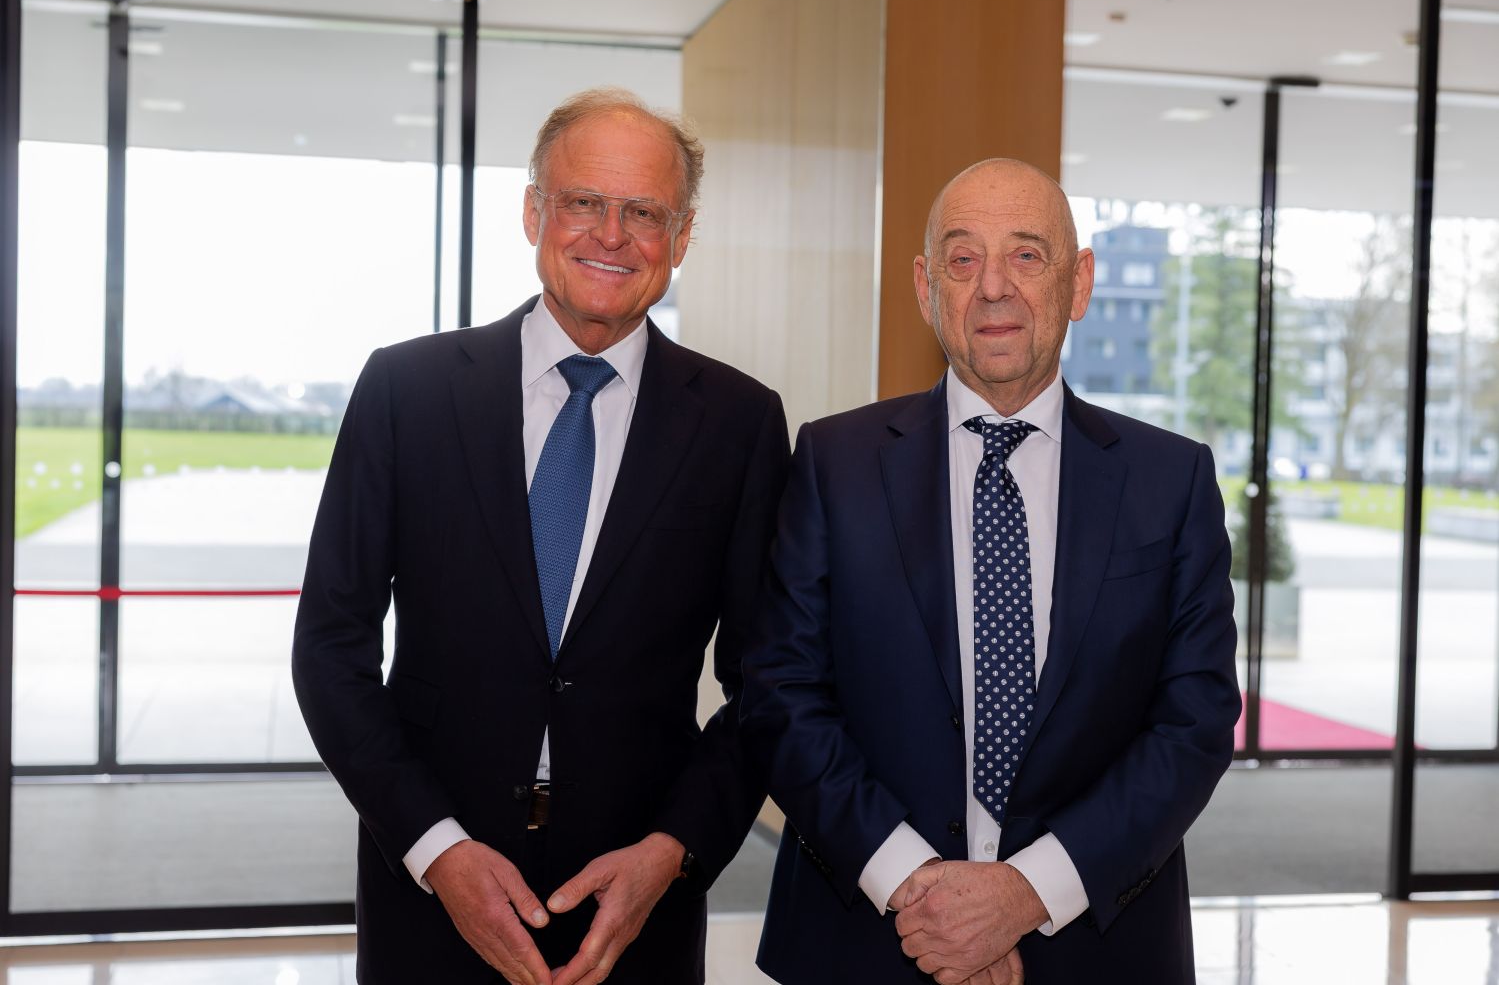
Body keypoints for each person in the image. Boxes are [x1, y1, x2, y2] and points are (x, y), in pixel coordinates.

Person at [292, 88, 789, 985]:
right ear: (533, 213)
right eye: (582, 202)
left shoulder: (740, 424)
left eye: (644, 212)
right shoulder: (406, 391)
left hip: (635, 908)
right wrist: (435, 847)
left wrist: (673, 851)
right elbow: (331, 648)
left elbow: (766, 684)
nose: (611, 235)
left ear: (680, 238)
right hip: (430, 892)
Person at [741, 158, 1240, 984]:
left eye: (1027, 255)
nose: (993, 287)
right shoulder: (834, 462)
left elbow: (1193, 720)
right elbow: (780, 693)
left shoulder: (1169, 479)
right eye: (962, 258)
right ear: (925, 286)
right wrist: (919, 889)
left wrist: (1024, 893)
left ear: (1078, 283)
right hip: (867, 938)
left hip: (1095, 947)